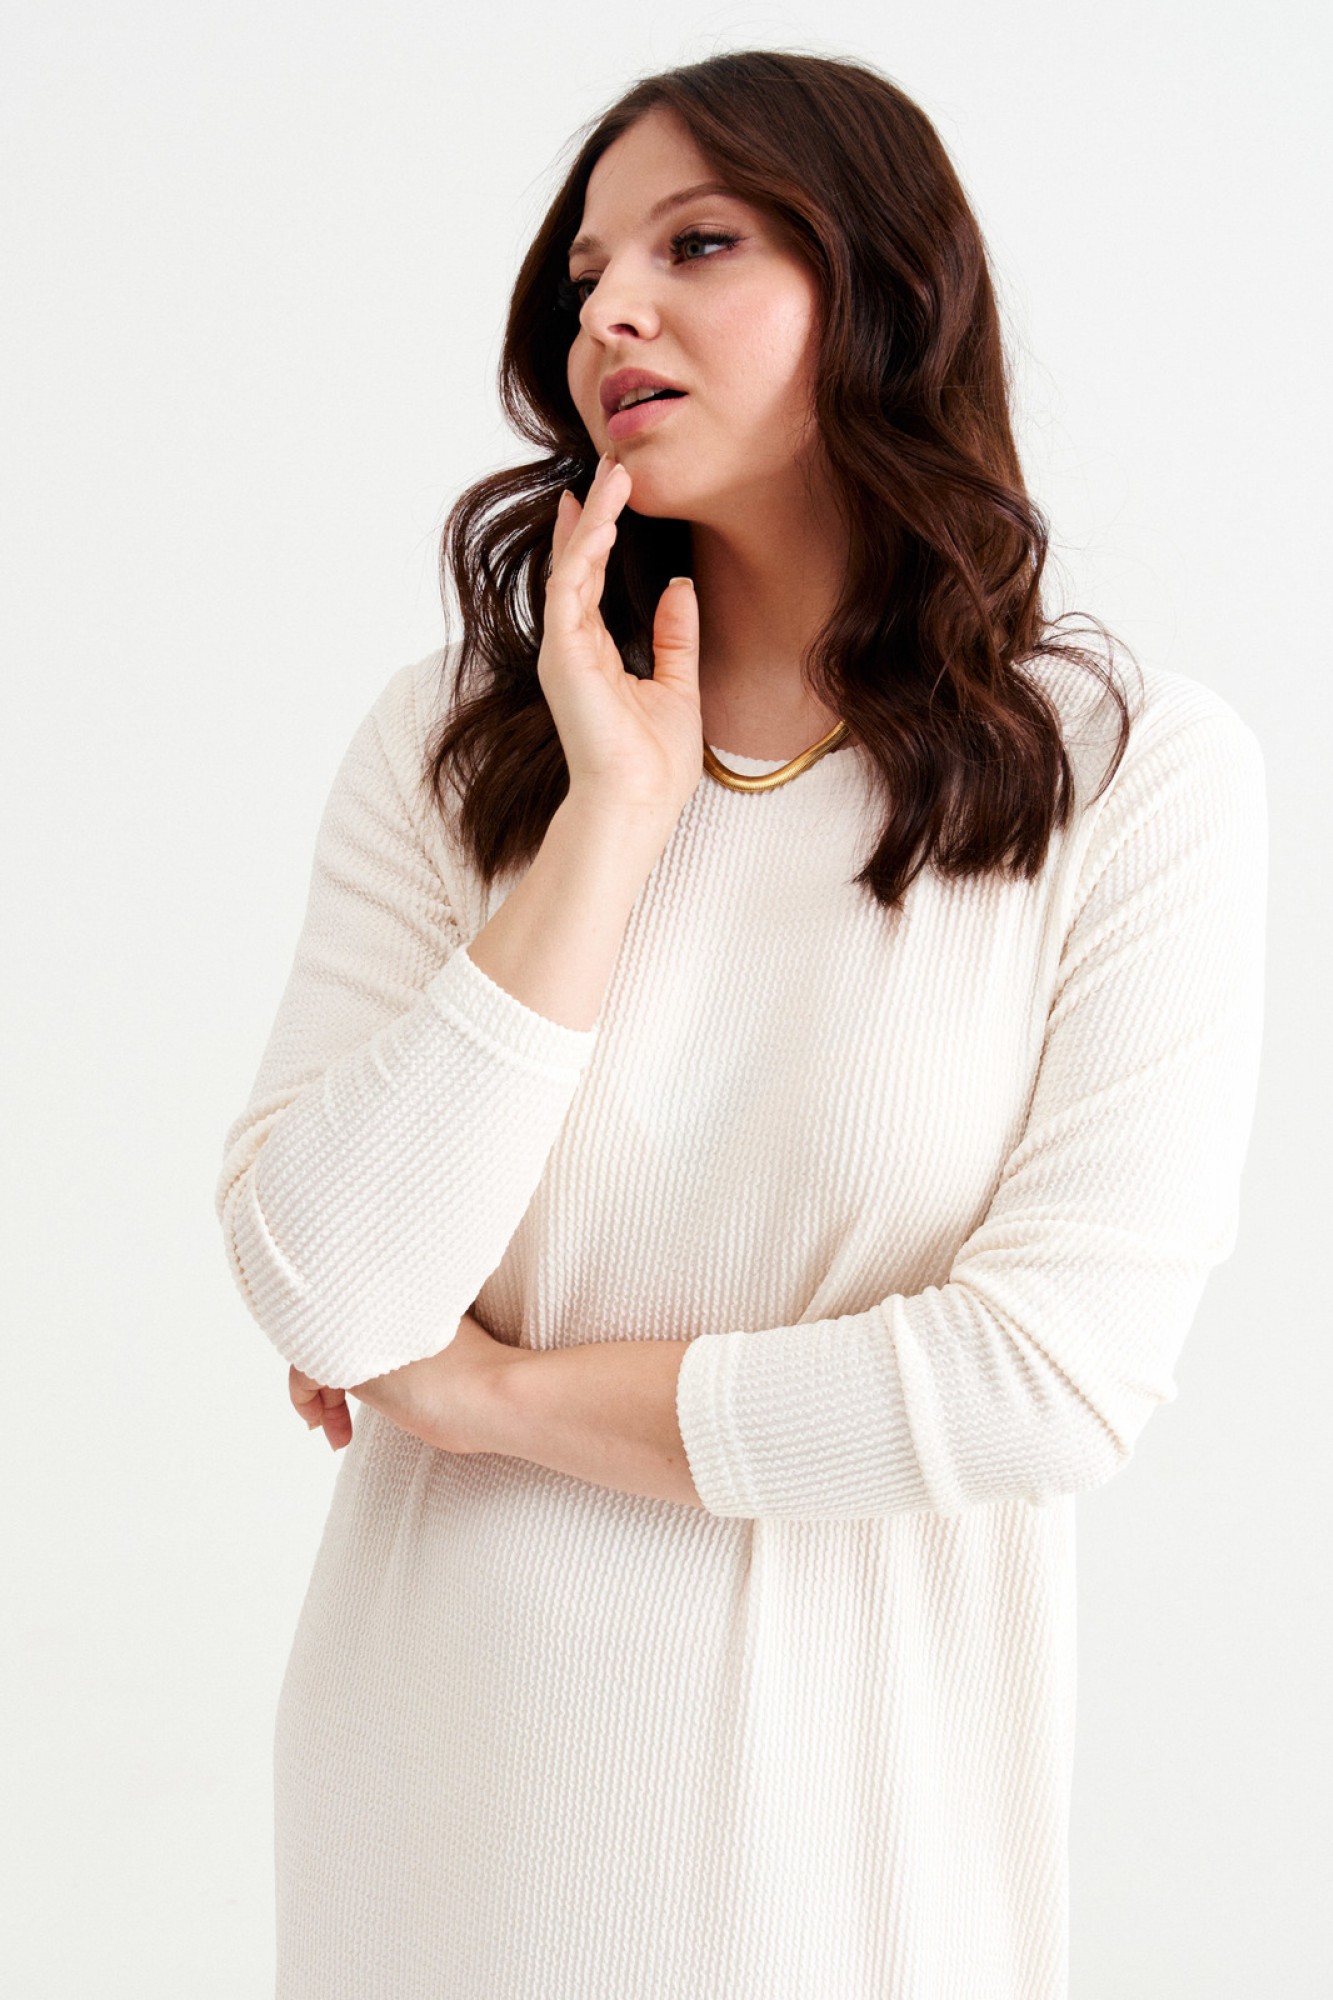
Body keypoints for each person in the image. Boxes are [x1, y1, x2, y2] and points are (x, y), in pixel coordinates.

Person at [213, 48, 1268, 2000]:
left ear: (886, 285)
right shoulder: (458, 755)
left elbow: (1045, 1381)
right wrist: (611, 821)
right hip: (437, 1839)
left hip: (847, 1874)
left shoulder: (1127, 779)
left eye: (695, 243)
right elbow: (331, 1290)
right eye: (584, 274)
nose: (609, 309)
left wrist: (490, 1400)